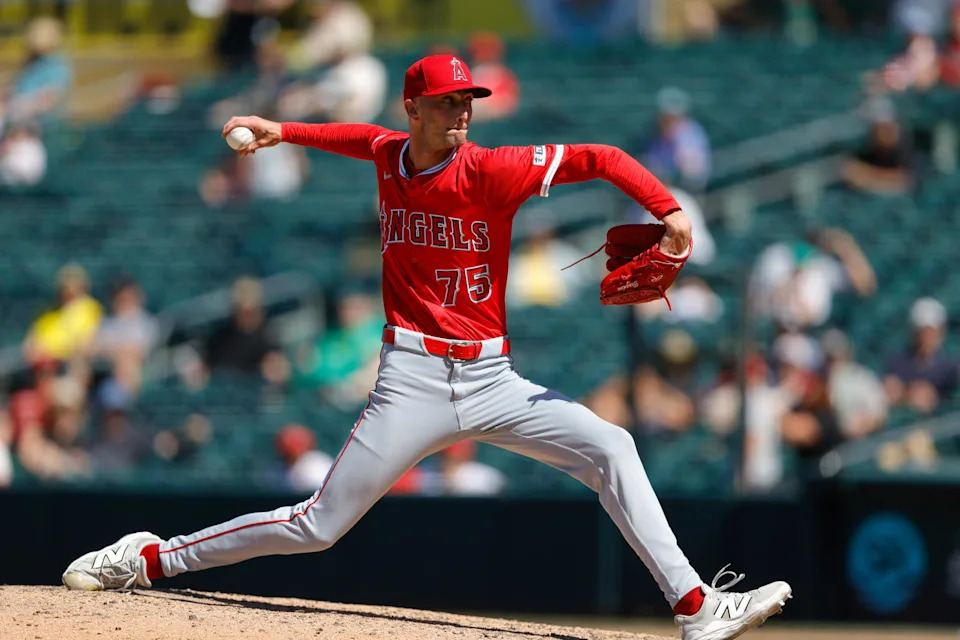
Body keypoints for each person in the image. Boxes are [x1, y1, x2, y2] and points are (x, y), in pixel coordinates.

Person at [62, 54, 790, 640]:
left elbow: (599, 156)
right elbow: (357, 138)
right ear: (412, 110)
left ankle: (694, 606)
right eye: (446, 102)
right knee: (318, 527)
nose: (462, 111)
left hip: (495, 379)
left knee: (612, 447)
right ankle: (150, 557)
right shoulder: (390, 154)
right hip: (410, 377)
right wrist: (282, 130)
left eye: (466, 100)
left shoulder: (491, 169)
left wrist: (668, 211)